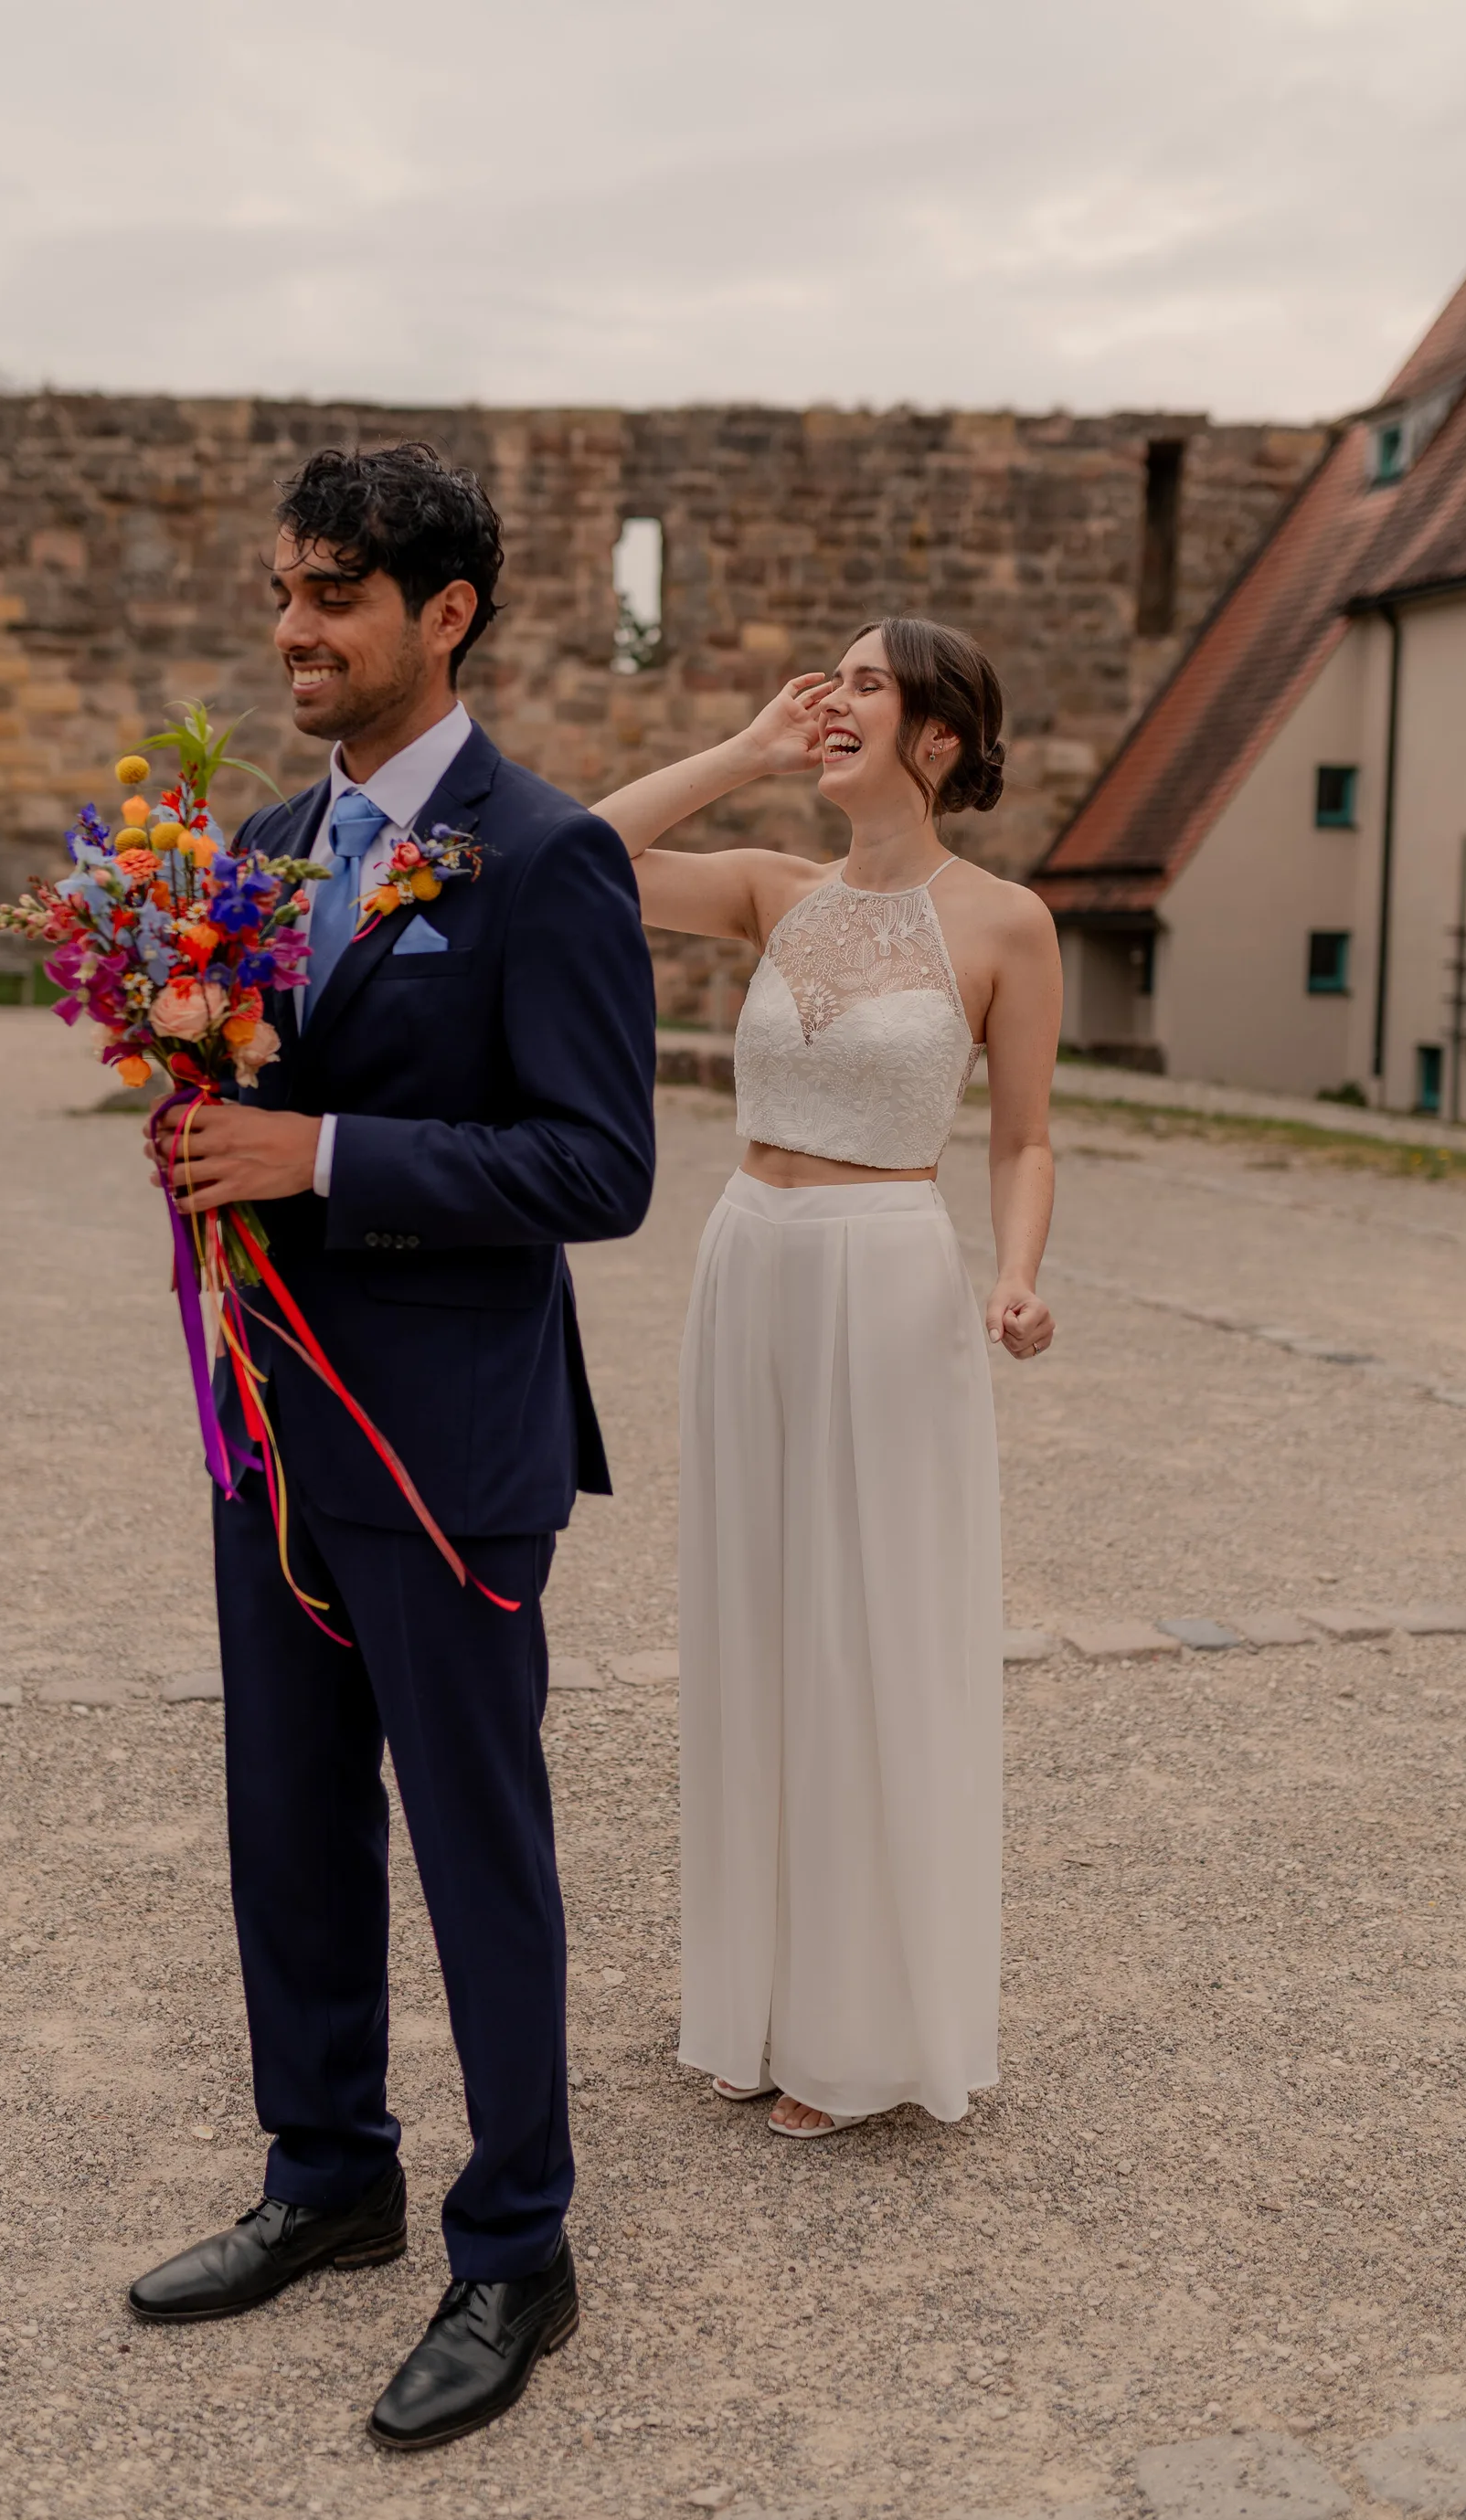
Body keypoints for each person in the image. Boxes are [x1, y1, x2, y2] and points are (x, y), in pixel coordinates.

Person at [126, 443, 656, 2450]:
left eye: (334, 591)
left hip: (448, 1448)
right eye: (284, 588)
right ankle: (325, 2174)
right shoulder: (258, 846)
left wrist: (318, 1154)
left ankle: (519, 2245)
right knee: (287, 1826)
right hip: (268, 1432)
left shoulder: (548, 856)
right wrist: (201, 1143)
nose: (292, 628)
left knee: (474, 1844)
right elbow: (242, 1084)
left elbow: (598, 1164)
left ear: (443, 613)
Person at [593, 619, 1059, 2140]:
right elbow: (576, 860)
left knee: (868, 1632)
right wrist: (740, 754)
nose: (832, 699)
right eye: (830, 678)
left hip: (885, 1271)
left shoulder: (1008, 924)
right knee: (758, 1622)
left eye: (868, 682)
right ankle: (759, 2000)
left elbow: (1024, 1136)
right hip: (752, 1260)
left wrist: (1015, 1270)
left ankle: (859, 2036)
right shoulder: (767, 890)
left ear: (938, 736)